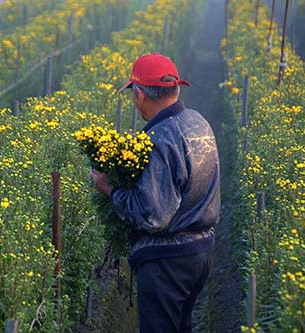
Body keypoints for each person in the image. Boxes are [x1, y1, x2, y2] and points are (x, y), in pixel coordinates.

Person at [89, 53, 220, 333]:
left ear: (140, 95)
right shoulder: (199, 123)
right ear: (176, 88)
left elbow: (153, 215)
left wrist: (109, 189)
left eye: (133, 95)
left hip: (167, 262)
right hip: (201, 253)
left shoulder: (158, 140)